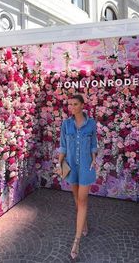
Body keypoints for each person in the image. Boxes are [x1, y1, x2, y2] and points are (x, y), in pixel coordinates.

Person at [55, 94, 98, 260]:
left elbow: (94, 143)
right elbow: (63, 146)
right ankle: (84, 223)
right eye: (69, 104)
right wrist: (59, 165)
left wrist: (94, 158)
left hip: (86, 167)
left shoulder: (91, 124)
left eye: (74, 104)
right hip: (71, 167)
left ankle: (77, 241)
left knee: (82, 201)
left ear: (82, 105)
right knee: (76, 198)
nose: (71, 107)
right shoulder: (66, 124)